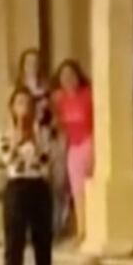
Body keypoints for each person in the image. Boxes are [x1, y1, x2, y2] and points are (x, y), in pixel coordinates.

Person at [0, 86, 59, 265]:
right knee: (15, 241)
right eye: (19, 103)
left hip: (38, 186)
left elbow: (45, 161)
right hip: (17, 186)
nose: (24, 107)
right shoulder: (5, 133)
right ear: (13, 108)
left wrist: (35, 141)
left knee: (43, 240)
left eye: (27, 103)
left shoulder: (42, 132)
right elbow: (9, 160)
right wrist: (17, 141)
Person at [16, 48, 68, 239]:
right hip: (28, 137)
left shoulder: (48, 88)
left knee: (55, 182)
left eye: (36, 61)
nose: (33, 65)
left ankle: (54, 225)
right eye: (29, 61)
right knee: (32, 182)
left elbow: (55, 112)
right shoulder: (17, 88)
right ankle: (31, 228)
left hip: (48, 136)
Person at [53, 60, 93, 246]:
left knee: (91, 187)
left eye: (71, 75)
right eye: (63, 76)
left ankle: (93, 228)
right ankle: (81, 229)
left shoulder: (88, 95)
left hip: (89, 142)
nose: (68, 79)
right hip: (73, 147)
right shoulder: (60, 100)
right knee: (77, 190)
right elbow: (60, 126)